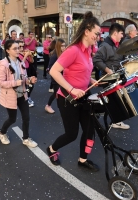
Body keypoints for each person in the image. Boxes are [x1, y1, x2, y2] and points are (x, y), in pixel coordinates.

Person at [47, 11, 101, 171]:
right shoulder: (73, 50)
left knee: (90, 128)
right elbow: (54, 71)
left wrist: (90, 80)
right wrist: (72, 89)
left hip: (83, 96)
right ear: (86, 31)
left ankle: (83, 159)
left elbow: (81, 70)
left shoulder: (89, 50)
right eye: (96, 34)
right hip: (66, 98)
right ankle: (51, 149)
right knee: (71, 134)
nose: (98, 36)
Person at [0, 39, 38, 147]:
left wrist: (29, 80)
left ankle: (26, 138)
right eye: (15, 48)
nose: (18, 50)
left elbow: (23, 78)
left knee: (26, 117)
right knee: (12, 119)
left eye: (18, 48)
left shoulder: (20, 62)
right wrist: (15, 83)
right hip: (10, 96)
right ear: (8, 50)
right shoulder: (3, 64)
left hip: (22, 94)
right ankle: (2, 132)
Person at [93, 23, 130, 130]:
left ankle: (115, 120)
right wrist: (107, 69)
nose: (122, 36)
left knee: (115, 100)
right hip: (109, 78)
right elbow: (96, 59)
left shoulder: (118, 45)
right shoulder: (105, 46)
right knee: (112, 101)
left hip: (117, 76)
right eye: (121, 33)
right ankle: (95, 112)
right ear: (115, 33)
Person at [44, 38, 66, 114]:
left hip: (62, 77)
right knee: (57, 94)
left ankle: (59, 107)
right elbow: (50, 68)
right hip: (56, 79)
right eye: (62, 46)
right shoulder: (55, 56)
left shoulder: (62, 54)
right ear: (58, 46)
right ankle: (48, 106)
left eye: (64, 45)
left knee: (59, 93)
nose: (64, 47)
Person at [18, 40, 36, 108]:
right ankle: (26, 99)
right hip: (22, 71)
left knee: (31, 85)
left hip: (28, 70)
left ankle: (28, 97)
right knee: (25, 86)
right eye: (20, 47)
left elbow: (32, 61)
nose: (22, 48)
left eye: (23, 46)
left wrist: (30, 56)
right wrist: (25, 55)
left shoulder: (24, 52)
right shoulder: (17, 55)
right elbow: (21, 64)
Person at [24, 32, 39, 107]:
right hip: (25, 67)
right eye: (31, 34)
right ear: (29, 35)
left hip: (32, 55)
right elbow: (27, 44)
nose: (32, 36)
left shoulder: (34, 39)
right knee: (27, 84)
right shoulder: (27, 40)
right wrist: (31, 39)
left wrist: (35, 40)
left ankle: (27, 96)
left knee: (31, 83)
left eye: (33, 34)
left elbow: (37, 45)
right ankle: (26, 97)